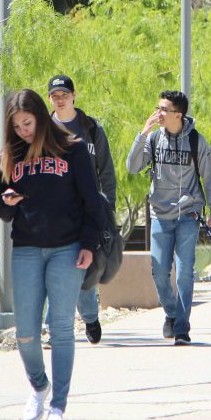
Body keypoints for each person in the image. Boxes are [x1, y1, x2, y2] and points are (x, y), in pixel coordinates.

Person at [0, 89, 104, 420]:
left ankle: (58, 406)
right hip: (26, 248)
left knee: (60, 329)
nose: (24, 131)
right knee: (25, 332)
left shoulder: (73, 148)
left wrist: (89, 244)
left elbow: (92, 201)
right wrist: (7, 201)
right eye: (17, 126)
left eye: (28, 123)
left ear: (41, 117)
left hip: (67, 248)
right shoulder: (11, 153)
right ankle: (39, 385)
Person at [126, 90, 211, 344]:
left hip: (188, 215)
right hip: (159, 215)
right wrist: (142, 133)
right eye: (158, 108)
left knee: (184, 274)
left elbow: (209, 179)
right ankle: (171, 312)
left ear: (178, 115)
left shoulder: (196, 141)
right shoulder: (154, 139)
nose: (158, 113)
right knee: (159, 272)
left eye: (163, 109)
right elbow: (132, 167)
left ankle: (181, 327)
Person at [44, 75, 117, 345]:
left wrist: (107, 209)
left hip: (87, 212)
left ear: (74, 95)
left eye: (64, 94)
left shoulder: (91, 129)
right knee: (55, 270)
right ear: (49, 98)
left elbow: (107, 172)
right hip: (54, 215)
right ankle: (54, 328)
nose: (60, 99)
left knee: (82, 269)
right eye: (55, 95)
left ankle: (89, 316)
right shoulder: (43, 130)